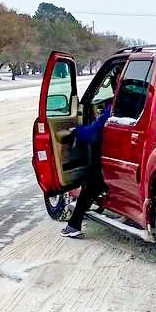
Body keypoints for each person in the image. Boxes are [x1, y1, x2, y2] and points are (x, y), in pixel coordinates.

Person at [61, 101, 112, 238]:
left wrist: (77, 130)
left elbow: (93, 132)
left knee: (91, 183)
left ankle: (73, 225)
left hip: (110, 159)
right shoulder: (142, 97)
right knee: (94, 182)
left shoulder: (117, 103)